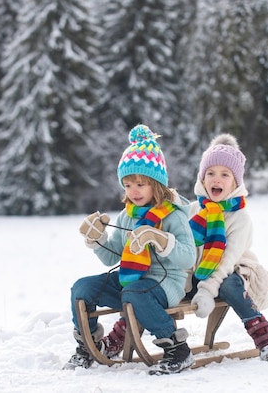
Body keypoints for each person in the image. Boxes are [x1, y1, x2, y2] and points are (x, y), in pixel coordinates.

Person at [64, 124, 197, 375]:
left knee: (134, 294)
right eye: (127, 185)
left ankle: (178, 349)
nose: (133, 192)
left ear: (156, 184)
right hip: (130, 282)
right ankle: (88, 346)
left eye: (140, 184)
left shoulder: (173, 215)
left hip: (166, 282)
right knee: (82, 288)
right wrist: (96, 239)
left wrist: (161, 239)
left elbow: (188, 257)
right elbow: (111, 256)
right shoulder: (128, 216)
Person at [185, 133, 268, 361]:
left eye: (224, 174)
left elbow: (226, 263)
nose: (216, 180)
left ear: (235, 182)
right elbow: (183, 252)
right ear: (202, 178)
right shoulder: (193, 210)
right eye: (210, 173)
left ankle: (265, 338)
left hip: (233, 272)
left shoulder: (240, 217)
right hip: (198, 274)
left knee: (229, 285)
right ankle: (172, 343)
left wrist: (206, 291)